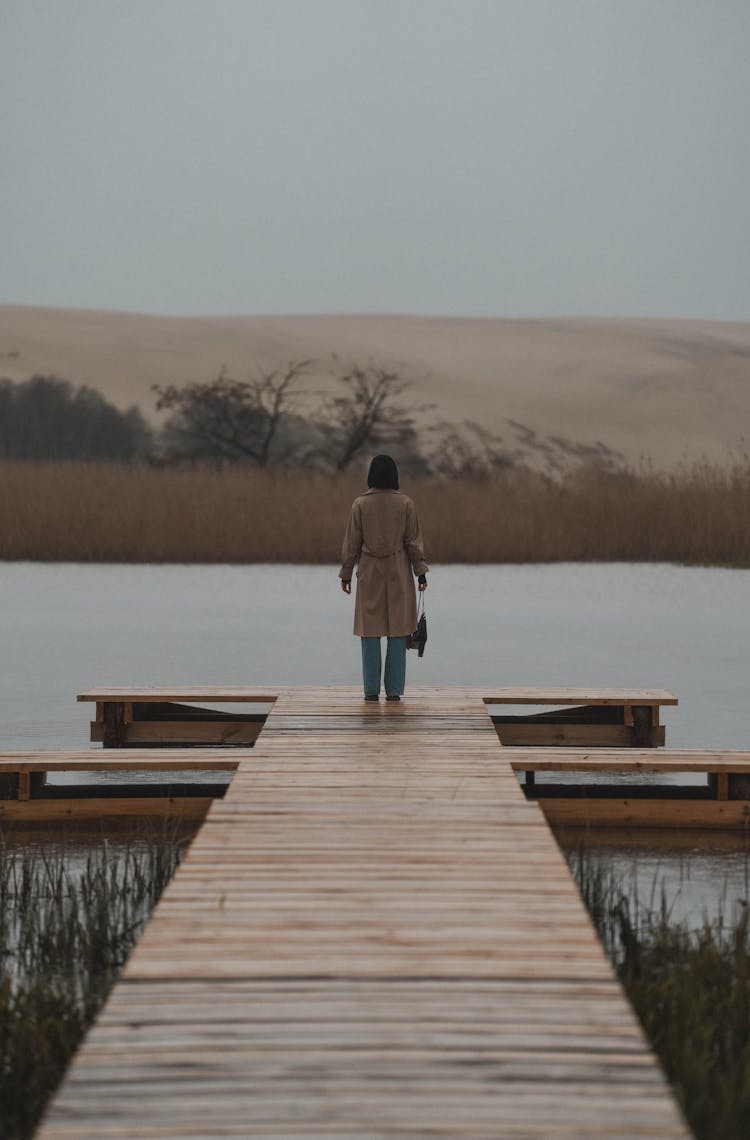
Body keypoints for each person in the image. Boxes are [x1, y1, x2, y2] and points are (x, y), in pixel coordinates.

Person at [339, 454, 428, 701]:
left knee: (370, 631)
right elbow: (413, 543)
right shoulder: (406, 504)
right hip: (399, 570)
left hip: (369, 572)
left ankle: (370, 691)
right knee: (399, 632)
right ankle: (394, 692)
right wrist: (420, 573)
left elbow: (352, 544)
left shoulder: (360, 504)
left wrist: (346, 574)